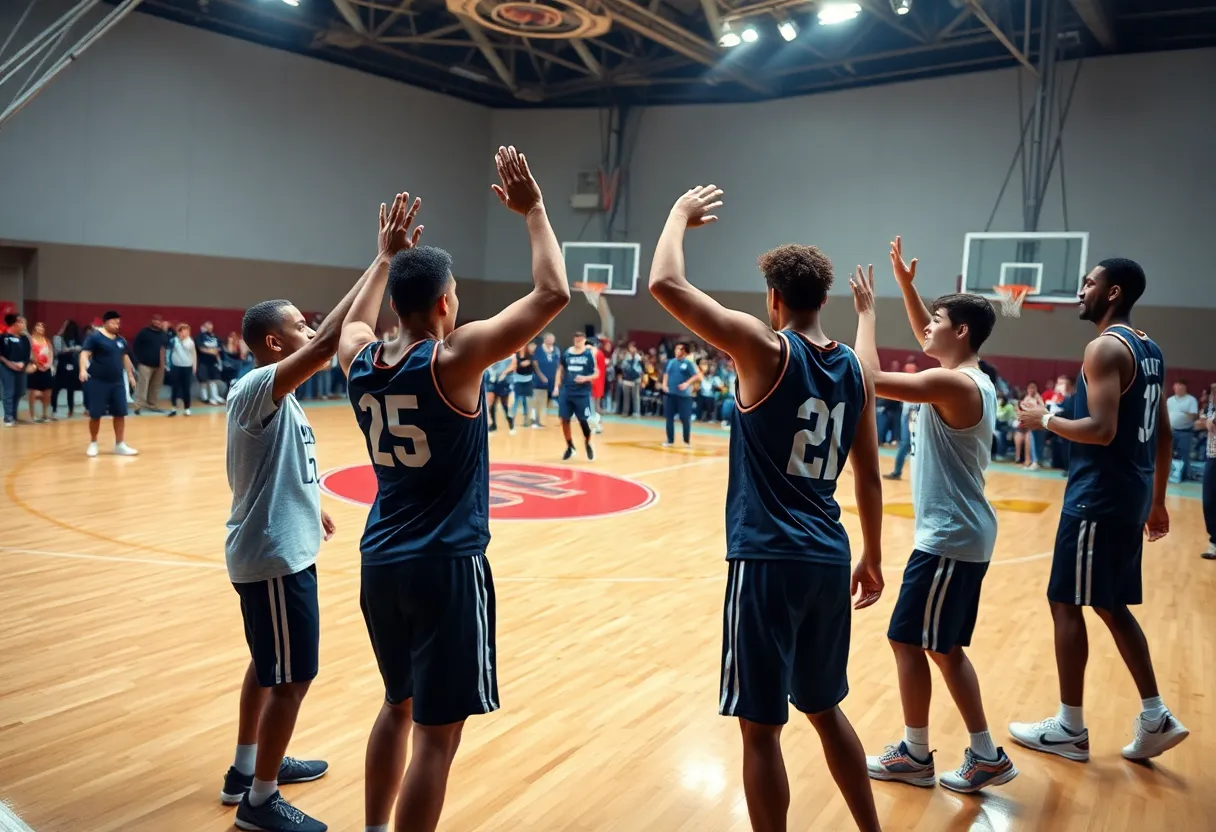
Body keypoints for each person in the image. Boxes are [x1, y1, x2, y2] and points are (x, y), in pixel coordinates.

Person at [338, 147, 568, 832]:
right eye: (457, 295)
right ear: (444, 303)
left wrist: (382, 257)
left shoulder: (358, 358)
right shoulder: (454, 357)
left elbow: (352, 322)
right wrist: (535, 211)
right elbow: (552, 293)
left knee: (395, 706)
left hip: (379, 559)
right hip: (445, 565)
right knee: (437, 737)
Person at [649, 185, 885, 832]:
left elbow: (665, 282)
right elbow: (868, 478)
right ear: (823, 299)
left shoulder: (765, 348)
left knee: (761, 731)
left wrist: (677, 214)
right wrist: (873, 555)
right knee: (825, 708)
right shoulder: (855, 373)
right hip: (828, 555)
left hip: (766, 559)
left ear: (775, 300)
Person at [219, 196, 414, 832]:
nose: (312, 330)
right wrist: (383, 259)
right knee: (293, 678)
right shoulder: (258, 386)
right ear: (275, 342)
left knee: (265, 664)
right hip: (274, 559)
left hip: (279, 545)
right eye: (299, 327)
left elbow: (279, 470)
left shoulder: (278, 401)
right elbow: (334, 340)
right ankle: (260, 803)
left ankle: (247, 768)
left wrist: (314, 505)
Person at [850, 239, 1016, 793]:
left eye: (937, 322)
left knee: (910, 640)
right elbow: (932, 338)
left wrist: (868, 314)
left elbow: (867, 379)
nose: (926, 330)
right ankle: (981, 753)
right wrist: (907, 287)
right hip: (959, 534)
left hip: (950, 538)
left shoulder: (952, 383)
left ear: (961, 332)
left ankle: (920, 753)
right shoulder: (971, 373)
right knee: (940, 647)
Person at [1009, 258, 1188, 762]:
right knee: (1110, 604)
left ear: (1113, 293)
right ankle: (1155, 716)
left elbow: (1103, 430)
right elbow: (1163, 431)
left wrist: (1044, 418)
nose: (1080, 291)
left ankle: (1070, 726)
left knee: (1064, 601)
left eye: (1090, 283)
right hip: (1128, 493)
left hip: (1098, 495)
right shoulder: (1148, 347)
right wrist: (1155, 500)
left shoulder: (1104, 346)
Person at [80, 311, 137, 457]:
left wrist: (130, 375)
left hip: (117, 382)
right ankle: (93, 443)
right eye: (114, 322)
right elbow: (84, 353)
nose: (117, 325)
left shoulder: (121, 340)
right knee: (95, 414)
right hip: (98, 382)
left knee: (120, 413)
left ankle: (120, 444)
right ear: (105, 322)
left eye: (118, 322)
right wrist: (82, 370)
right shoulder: (95, 337)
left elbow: (125, 357)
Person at [554, 331, 597, 460]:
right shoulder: (567, 353)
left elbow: (596, 374)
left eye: (580, 338)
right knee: (564, 419)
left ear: (584, 339)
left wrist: (585, 378)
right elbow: (560, 370)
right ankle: (570, 446)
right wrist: (557, 386)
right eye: (576, 337)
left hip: (582, 393)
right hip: (567, 391)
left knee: (583, 420)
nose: (577, 340)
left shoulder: (589, 355)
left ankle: (587, 442)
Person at [661, 342, 701, 446]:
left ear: (683, 351)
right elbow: (666, 374)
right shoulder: (670, 362)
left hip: (684, 396)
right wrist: (664, 385)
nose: (677, 351)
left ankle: (686, 441)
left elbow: (697, 376)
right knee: (669, 418)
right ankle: (670, 440)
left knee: (685, 418)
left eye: (679, 349)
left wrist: (686, 384)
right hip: (671, 394)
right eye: (676, 349)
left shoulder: (688, 363)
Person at [132, 314, 168, 414]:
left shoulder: (164, 335)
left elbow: (165, 350)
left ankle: (153, 405)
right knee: (142, 386)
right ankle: (138, 406)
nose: (157, 322)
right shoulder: (144, 332)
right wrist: (137, 361)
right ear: (152, 321)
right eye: (155, 320)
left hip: (159, 366)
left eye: (159, 321)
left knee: (155, 387)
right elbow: (135, 346)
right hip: (144, 365)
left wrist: (164, 365)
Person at [1166, 379, 1199, 481]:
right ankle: (1168, 474)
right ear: (1174, 387)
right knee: (1167, 453)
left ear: (1185, 387)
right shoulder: (1170, 400)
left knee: (1184, 455)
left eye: (1181, 385)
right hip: (1171, 431)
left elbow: (1194, 416)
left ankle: (1185, 475)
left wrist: (1186, 414)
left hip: (1185, 432)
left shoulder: (1191, 400)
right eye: (1177, 385)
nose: (1179, 387)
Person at [1, 314, 30, 426]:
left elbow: (27, 355)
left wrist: (23, 364)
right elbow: (1, 355)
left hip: (21, 368)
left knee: (19, 391)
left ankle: (14, 414)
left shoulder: (24, 339)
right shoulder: (4, 337)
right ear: (15, 323)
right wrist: (10, 364)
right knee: (9, 391)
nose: (24, 325)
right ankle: (8, 416)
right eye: (22, 322)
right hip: (6, 367)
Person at [1198, 383, 1215, 560]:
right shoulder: (1211, 408)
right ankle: (1215, 542)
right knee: (1210, 500)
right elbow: (1203, 423)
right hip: (1213, 455)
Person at [52, 319, 82, 417]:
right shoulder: (58, 338)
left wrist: (70, 349)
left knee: (71, 389)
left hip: (72, 364)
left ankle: (71, 409)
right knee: (56, 388)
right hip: (61, 364)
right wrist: (70, 349)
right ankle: (54, 408)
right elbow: (58, 351)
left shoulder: (76, 338)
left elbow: (80, 348)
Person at [25, 322, 55, 422]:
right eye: (38, 326)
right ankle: (32, 415)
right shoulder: (30, 340)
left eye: (42, 326)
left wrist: (48, 365)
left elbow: (51, 354)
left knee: (47, 392)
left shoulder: (47, 340)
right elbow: (28, 353)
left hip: (46, 368)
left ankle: (45, 414)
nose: (41, 327)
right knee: (33, 392)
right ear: (34, 328)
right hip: (35, 367)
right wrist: (35, 363)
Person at [168, 324, 198, 416]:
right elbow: (168, 350)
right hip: (176, 367)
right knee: (175, 388)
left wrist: (194, 366)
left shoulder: (190, 342)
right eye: (183, 330)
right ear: (179, 332)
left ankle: (187, 408)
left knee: (186, 388)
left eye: (187, 330)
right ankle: (173, 408)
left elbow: (193, 354)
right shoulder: (174, 340)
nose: (185, 332)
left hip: (187, 367)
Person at [532, 332, 559, 426]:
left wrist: (558, 378)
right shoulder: (539, 349)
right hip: (540, 380)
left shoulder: (556, 350)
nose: (552, 341)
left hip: (553, 380)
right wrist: (541, 376)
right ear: (545, 340)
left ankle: (562, 419)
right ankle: (536, 420)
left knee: (557, 399)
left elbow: (558, 365)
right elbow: (535, 363)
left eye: (553, 339)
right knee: (538, 401)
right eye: (550, 339)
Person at [197, 320, 224, 404]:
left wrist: (210, 350)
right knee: (203, 380)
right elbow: (201, 348)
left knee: (213, 379)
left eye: (210, 324)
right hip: (203, 361)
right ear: (204, 326)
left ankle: (214, 396)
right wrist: (212, 351)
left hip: (213, 362)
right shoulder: (200, 336)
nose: (209, 326)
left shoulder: (216, 337)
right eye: (207, 325)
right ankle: (204, 397)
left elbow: (219, 348)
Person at [512, 345, 535, 429]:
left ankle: (526, 420)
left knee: (526, 401)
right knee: (516, 400)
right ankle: (512, 419)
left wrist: (529, 362)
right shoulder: (515, 356)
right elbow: (514, 367)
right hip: (518, 380)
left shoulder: (530, 356)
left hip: (528, 381)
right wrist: (520, 365)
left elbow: (534, 366)